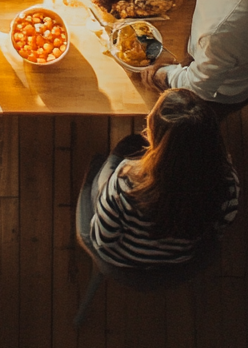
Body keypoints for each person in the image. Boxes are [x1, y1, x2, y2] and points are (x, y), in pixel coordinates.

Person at [90, 88, 239, 268]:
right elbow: (219, 229)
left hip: (121, 257)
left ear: (153, 133)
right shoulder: (228, 183)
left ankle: (93, 171)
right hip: (180, 258)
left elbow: (103, 239)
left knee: (112, 161)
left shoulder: (127, 179)